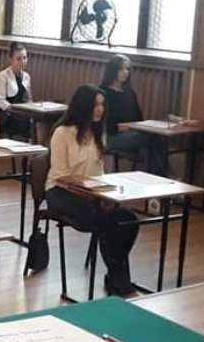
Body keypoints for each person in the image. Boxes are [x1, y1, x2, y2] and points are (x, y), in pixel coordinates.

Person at [45, 85, 139, 297]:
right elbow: (60, 175)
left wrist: (105, 192)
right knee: (106, 222)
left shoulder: (97, 133)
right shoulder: (62, 133)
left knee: (129, 220)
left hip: (90, 192)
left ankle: (115, 275)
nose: (100, 109)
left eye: (102, 105)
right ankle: (119, 280)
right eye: (95, 105)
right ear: (83, 106)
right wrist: (89, 191)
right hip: (61, 191)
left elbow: (99, 171)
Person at [100, 54, 166, 175]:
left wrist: (137, 126)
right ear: (113, 70)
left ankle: (158, 175)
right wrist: (127, 127)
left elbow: (139, 118)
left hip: (131, 133)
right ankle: (163, 176)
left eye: (127, 69)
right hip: (110, 137)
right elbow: (105, 124)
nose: (125, 72)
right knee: (152, 139)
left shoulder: (130, 93)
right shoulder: (103, 92)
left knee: (157, 137)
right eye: (121, 69)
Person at [0, 41, 33, 140]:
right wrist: (15, 110)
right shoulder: (3, 76)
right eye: (18, 59)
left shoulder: (27, 76)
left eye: (25, 58)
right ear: (11, 59)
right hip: (8, 114)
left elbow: (29, 99)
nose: (22, 61)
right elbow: (0, 101)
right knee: (21, 121)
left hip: (22, 112)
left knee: (36, 121)